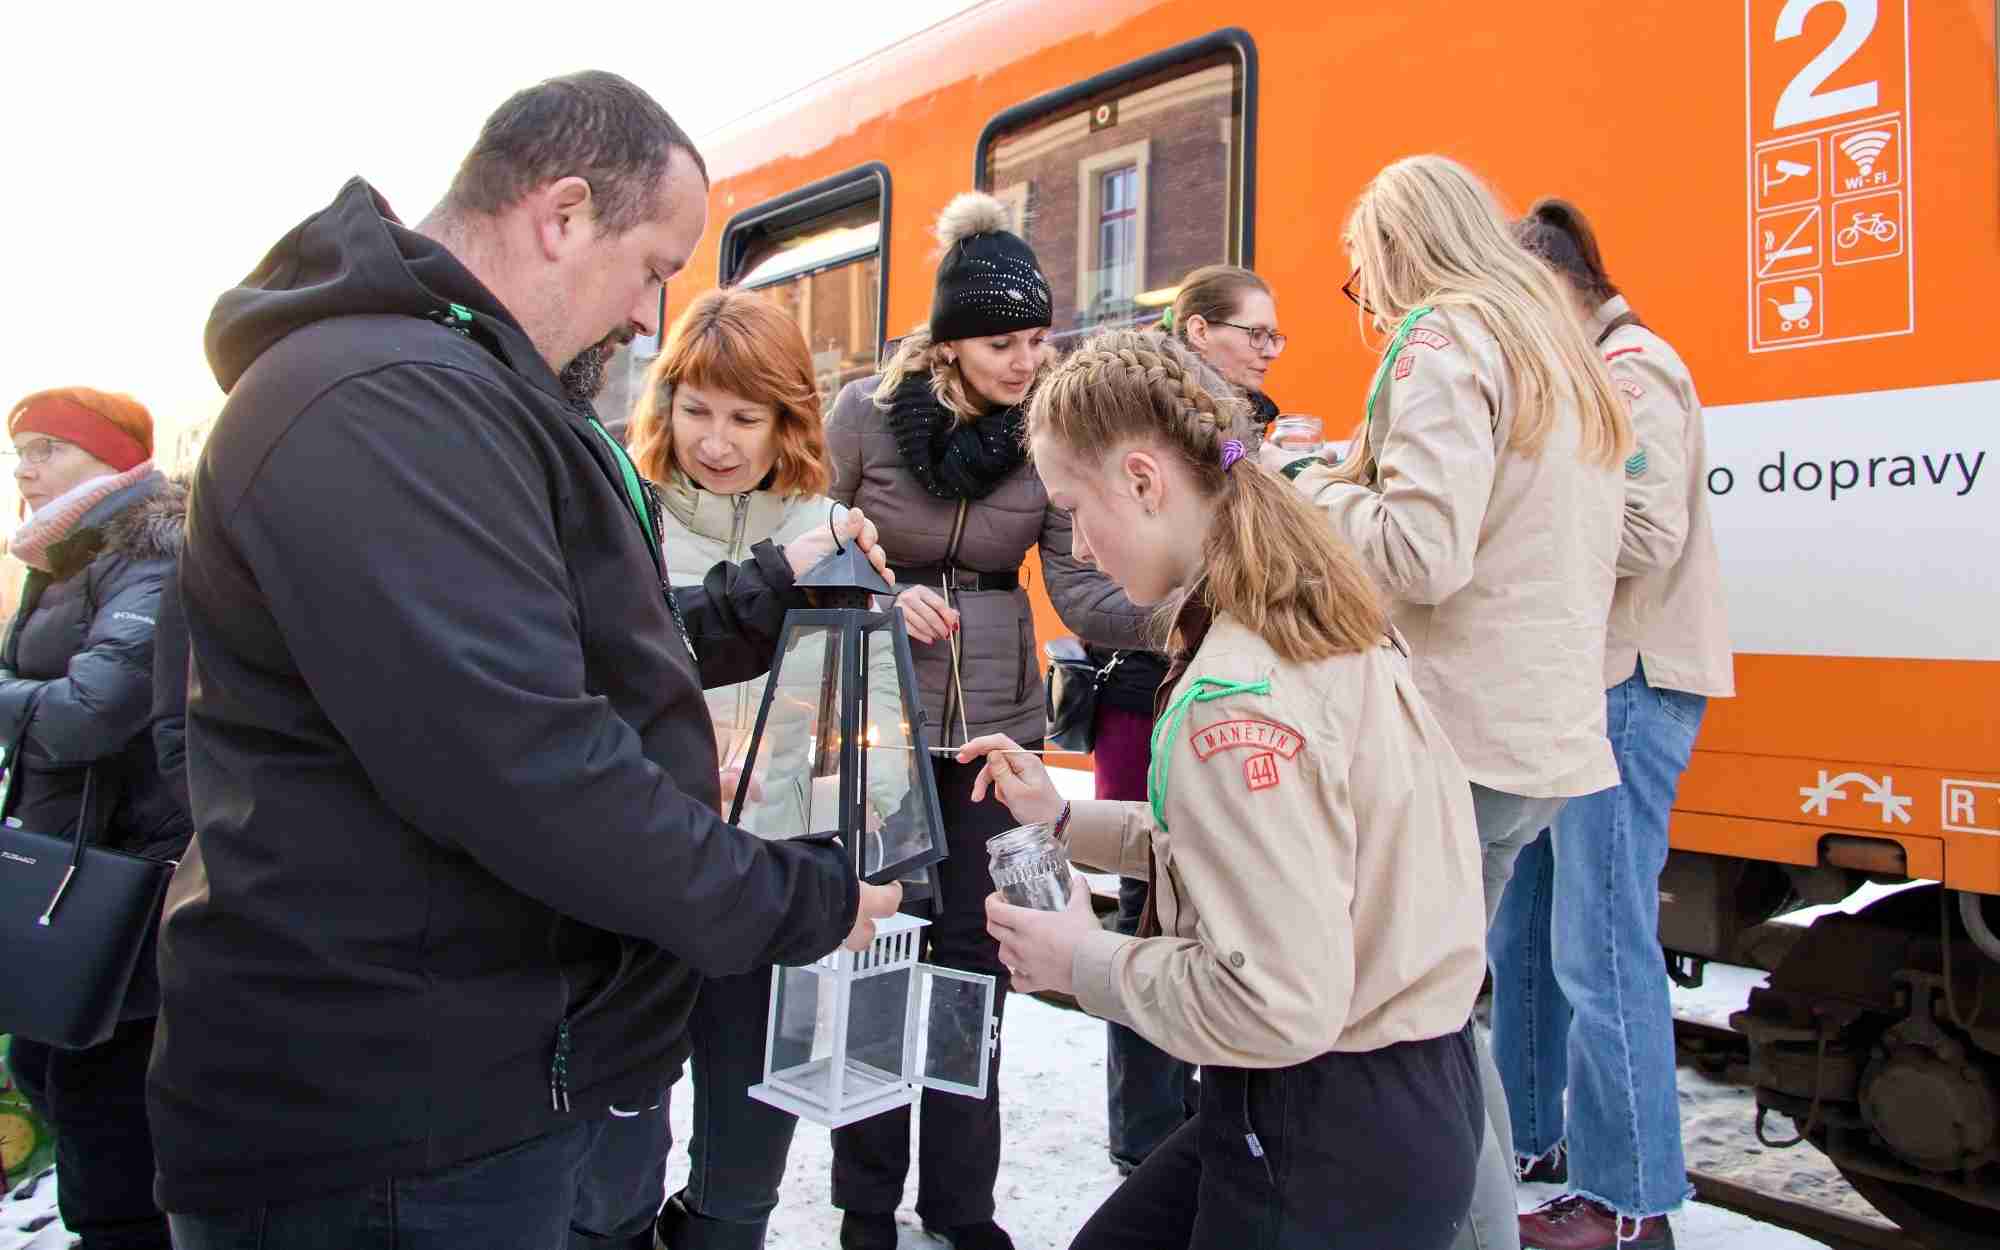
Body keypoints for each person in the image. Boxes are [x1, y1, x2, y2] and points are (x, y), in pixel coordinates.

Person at [150, 71, 901, 1250]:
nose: (652, 318)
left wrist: (768, 596)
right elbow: (525, 757)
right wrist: (791, 898)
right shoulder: (384, 401)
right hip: (393, 1122)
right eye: (655, 265)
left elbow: (564, 655)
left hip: (455, 1079)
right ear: (561, 213)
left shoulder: (448, 391)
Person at [961, 329, 1486, 1249]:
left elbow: (1274, 1002)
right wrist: (1064, 819)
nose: (1076, 545)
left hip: (1319, 1121)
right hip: (1387, 1099)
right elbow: (1277, 839)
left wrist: (1081, 960)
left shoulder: (1230, 691)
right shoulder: (1312, 612)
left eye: (1076, 509)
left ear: (1142, 478)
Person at [1270, 154, 1633, 1250]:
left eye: (1356, 271)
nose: (1365, 301)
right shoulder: (1554, 350)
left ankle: (1456, 1232)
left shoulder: (1437, 338)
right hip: (1540, 735)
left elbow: (1419, 554)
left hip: (1455, 736)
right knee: (1444, 1008)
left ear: (1392, 249)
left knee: (1413, 1022)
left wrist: (1304, 481)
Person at [823, 190, 1132, 1250]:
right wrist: (873, 597)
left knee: (975, 956)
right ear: (950, 344)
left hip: (988, 736)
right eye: (1004, 341)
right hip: (874, 725)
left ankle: (961, 1206)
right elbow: (808, 549)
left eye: (1039, 339)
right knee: (879, 953)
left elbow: (1077, 587)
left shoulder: (1044, 434)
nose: (1026, 360)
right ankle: (865, 1205)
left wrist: (1186, 611)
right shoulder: (864, 412)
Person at [626, 287, 959, 1250]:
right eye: (695, 410)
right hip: (642, 875)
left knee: (742, 1167)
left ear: (789, 420)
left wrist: (883, 868)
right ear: (665, 405)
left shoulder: (831, 527)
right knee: (612, 1165)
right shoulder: (625, 517)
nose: (717, 441)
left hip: (771, 873)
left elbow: (870, 706)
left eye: (745, 417)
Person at [1492, 199, 1734, 1250]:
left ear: (1556, 285)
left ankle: (1629, 1197)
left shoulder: (1631, 368)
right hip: (1572, 685)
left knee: (1595, 943)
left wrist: (1515, 509)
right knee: (1527, 926)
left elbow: (1642, 527)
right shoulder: (1591, 371)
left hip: (1623, 683)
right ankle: (1531, 1138)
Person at [1065, 263, 1286, 1175]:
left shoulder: (1257, 451)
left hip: (1193, 679)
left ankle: (1209, 1123)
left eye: (1278, 337)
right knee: (1150, 904)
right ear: (1198, 334)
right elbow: (1081, 585)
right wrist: (1189, 611)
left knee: (1200, 890)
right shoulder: (1112, 434)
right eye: (1254, 333)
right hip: (1134, 694)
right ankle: (1147, 1132)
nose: (1270, 351)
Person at [0, 388, 189, 1250]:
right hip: (67, 858)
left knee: (98, 1092)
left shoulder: (149, 555)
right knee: (48, 1064)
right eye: (20, 452)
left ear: (111, 460)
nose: (25, 470)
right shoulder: (66, 558)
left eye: (48, 449)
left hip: (123, 872)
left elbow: (90, 712)